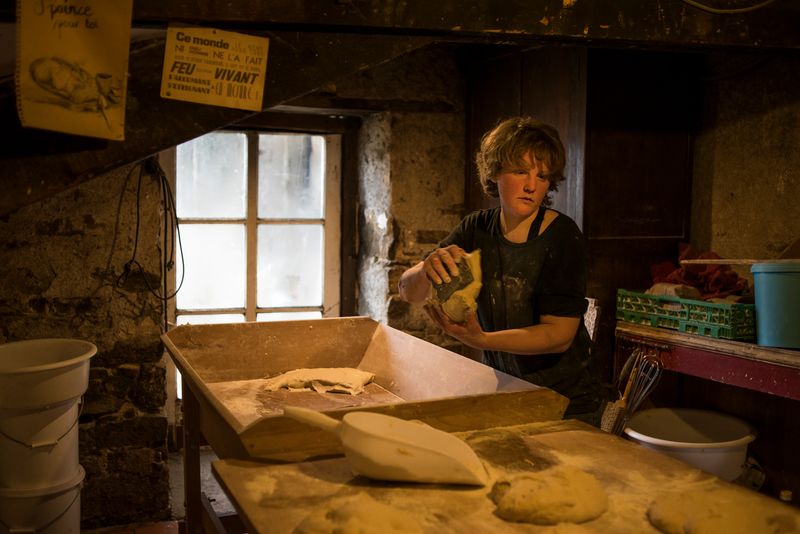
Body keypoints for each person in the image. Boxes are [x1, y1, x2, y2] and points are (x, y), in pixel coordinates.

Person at [398, 116, 602, 425]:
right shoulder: (475, 228)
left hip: (565, 402)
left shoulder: (562, 236)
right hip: (507, 392)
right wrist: (427, 267)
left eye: (543, 176)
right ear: (495, 173)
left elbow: (558, 336)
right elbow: (407, 292)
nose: (532, 186)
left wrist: (483, 341)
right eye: (520, 171)